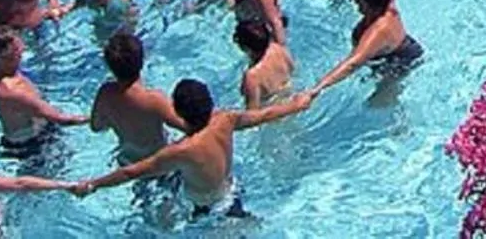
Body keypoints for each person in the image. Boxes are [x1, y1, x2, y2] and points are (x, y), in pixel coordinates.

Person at [68, 78, 312, 218]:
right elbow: (264, 114)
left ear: (180, 112)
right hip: (232, 192)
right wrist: (296, 105)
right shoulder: (226, 120)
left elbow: (133, 172)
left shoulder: (181, 151)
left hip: (206, 209)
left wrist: (93, 184)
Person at [0, 28, 86, 157]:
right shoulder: (12, 91)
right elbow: (61, 119)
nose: (22, 48)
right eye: (18, 48)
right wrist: (96, 117)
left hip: (17, 139)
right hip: (34, 144)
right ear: (5, 55)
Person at [309, 0, 423, 96]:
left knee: (377, 104)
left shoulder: (378, 31)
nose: (356, 0)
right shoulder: (387, 2)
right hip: (396, 49)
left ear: (371, 5)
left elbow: (353, 63)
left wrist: (318, 87)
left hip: (398, 62)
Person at [89, 32, 183, 162]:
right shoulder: (154, 100)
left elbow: (96, 127)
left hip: (127, 160)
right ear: (142, 61)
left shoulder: (105, 93)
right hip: (158, 161)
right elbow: (188, 127)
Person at [233, 17, 295, 111]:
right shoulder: (278, 48)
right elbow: (293, 69)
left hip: (273, 111)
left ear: (246, 48)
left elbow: (252, 113)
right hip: (290, 96)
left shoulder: (252, 76)